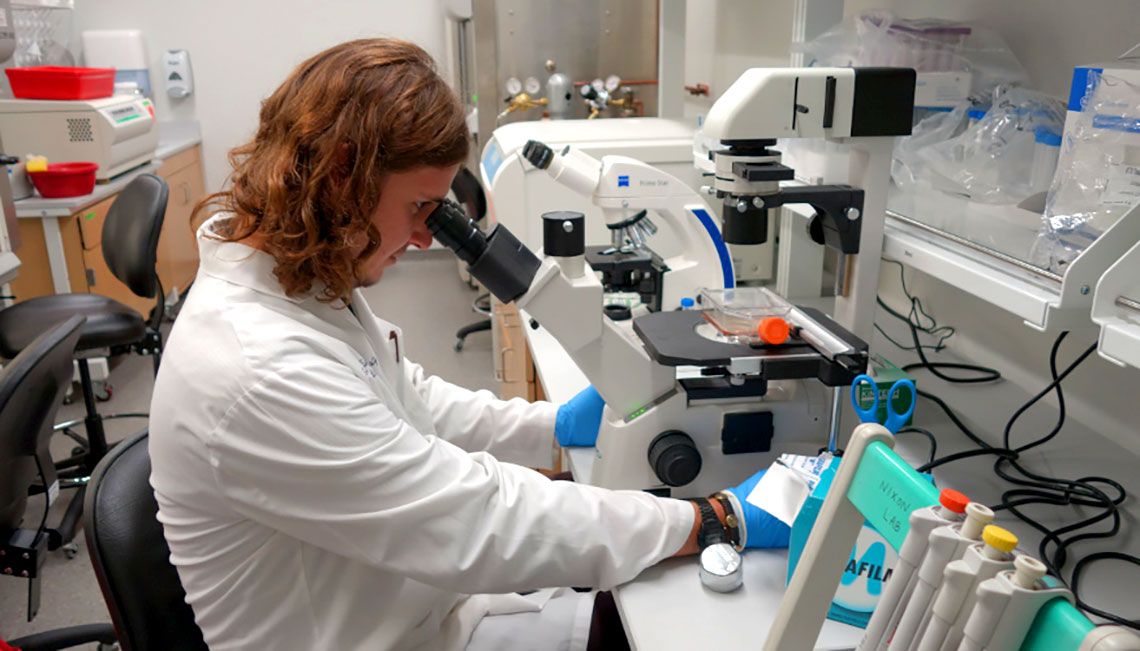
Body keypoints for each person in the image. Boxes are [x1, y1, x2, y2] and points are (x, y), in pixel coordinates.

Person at [149, 38, 783, 651]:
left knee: (637, 613)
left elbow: (405, 400)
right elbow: (479, 523)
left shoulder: (294, 282)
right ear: (343, 174)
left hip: (422, 613)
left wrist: (551, 428)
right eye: (422, 206)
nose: (428, 237)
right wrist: (712, 520)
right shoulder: (257, 370)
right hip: (383, 633)